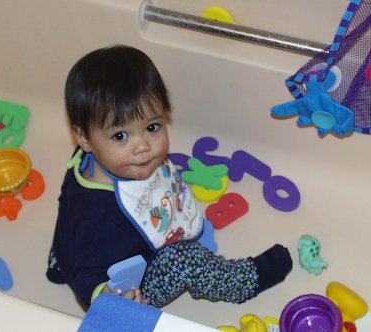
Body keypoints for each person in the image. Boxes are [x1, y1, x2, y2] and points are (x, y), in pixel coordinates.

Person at [46, 44, 293, 309]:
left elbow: (66, 204)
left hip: (81, 245)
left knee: (73, 230)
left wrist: (65, 251)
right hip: (134, 286)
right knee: (185, 261)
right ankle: (242, 282)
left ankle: (59, 261)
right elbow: (87, 267)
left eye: (152, 127)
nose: (142, 146)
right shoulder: (99, 213)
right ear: (84, 137)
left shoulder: (88, 159)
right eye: (120, 136)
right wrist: (102, 295)